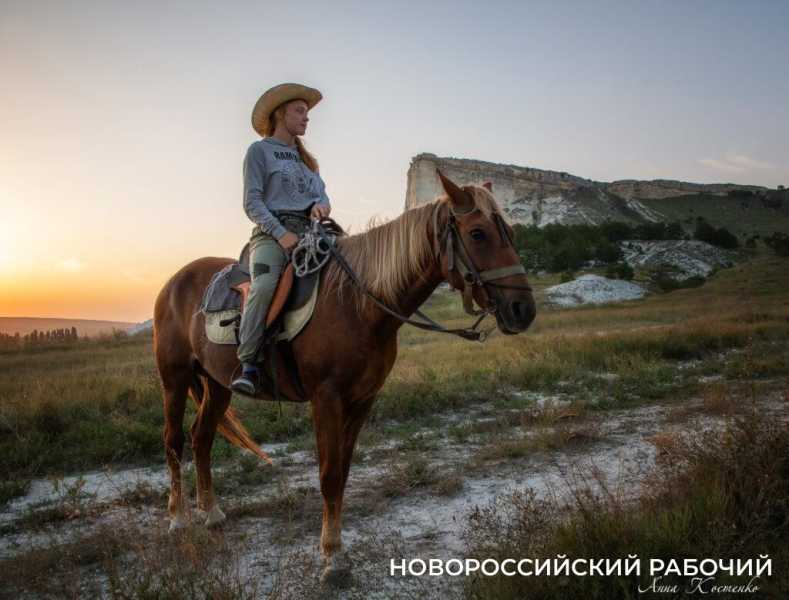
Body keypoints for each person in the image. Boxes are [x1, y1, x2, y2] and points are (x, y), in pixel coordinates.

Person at [231, 83, 331, 396]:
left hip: (311, 232)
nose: (306, 118)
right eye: (299, 111)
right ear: (280, 114)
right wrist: (281, 233)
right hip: (272, 235)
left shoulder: (308, 161)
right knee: (264, 285)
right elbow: (252, 202)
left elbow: (323, 196)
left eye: (306, 112)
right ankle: (248, 364)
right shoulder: (259, 151)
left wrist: (321, 207)